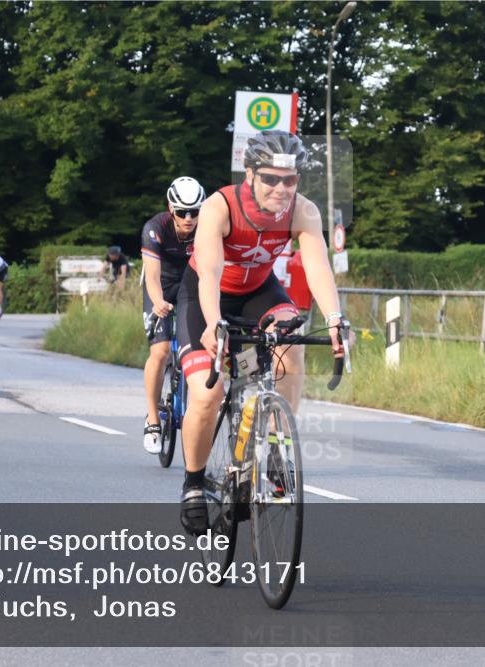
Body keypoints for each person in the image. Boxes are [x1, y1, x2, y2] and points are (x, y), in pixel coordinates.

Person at [175, 130, 346, 534]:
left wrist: (336, 319)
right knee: (207, 392)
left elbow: (319, 266)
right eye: (270, 178)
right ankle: (194, 483)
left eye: (290, 180)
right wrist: (214, 324)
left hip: (260, 292)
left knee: (291, 345)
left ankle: (273, 448)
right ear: (249, 173)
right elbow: (210, 272)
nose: (281, 189)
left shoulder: (303, 211)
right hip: (206, 295)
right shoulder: (221, 206)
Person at [141, 176, 205, 454]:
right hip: (162, 285)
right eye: (182, 212)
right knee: (161, 351)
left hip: (191, 285)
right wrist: (157, 302)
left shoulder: (207, 226)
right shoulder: (155, 228)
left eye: (195, 212)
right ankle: (153, 419)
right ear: (171, 208)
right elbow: (152, 276)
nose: (189, 218)